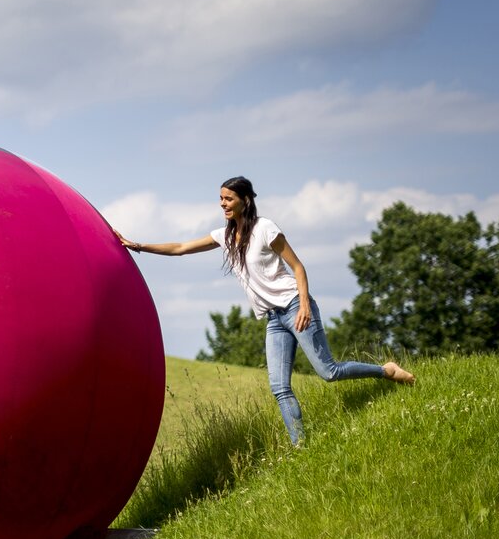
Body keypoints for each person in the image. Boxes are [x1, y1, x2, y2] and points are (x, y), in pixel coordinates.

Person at [115, 176, 415, 446]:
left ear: (245, 201)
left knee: (328, 371)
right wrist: (138, 245)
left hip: (295, 306)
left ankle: (386, 371)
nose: (223, 204)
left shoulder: (266, 229)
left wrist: (306, 303)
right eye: (221, 199)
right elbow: (181, 247)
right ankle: (301, 446)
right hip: (273, 319)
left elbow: (297, 267)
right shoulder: (224, 236)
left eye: (228, 199)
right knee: (279, 387)